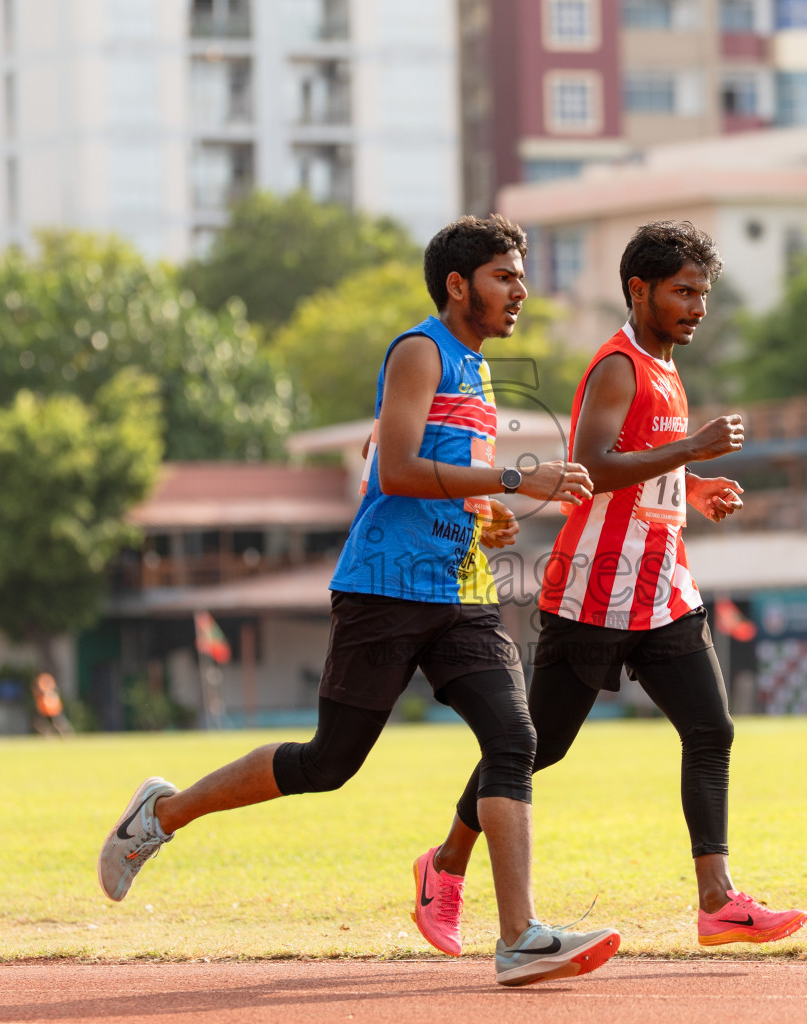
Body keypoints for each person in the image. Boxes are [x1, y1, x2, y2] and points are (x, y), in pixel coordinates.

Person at [98, 214, 621, 988]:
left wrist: (486, 513)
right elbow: (399, 469)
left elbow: (431, 474)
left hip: (462, 592)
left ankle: (520, 939)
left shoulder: (476, 370)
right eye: (505, 276)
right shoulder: (418, 351)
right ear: (458, 284)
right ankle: (160, 816)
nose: (520, 291)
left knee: (515, 738)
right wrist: (516, 478)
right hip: (383, 588)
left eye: (520, 276)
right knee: (328, 762)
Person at [411, 221, 807, 960]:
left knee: (711, 729)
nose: (697, 306)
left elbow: (639, 461)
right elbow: (591, 462)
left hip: (662, 590)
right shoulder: (618, 367)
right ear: (639, 290)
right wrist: (691, 448)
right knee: (538, 748)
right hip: (595, 591)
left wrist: (693, 484)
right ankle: (445, 866)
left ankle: (719, 902)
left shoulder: (664, 367)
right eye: (683, 292)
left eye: (704, 293)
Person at [33, 672, 74, 737]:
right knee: (40, 724)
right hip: (44, 711)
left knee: (59, 723)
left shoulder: (50, 688)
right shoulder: (41, 683)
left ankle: (66, 734)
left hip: (53, 710)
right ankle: (50, 734)